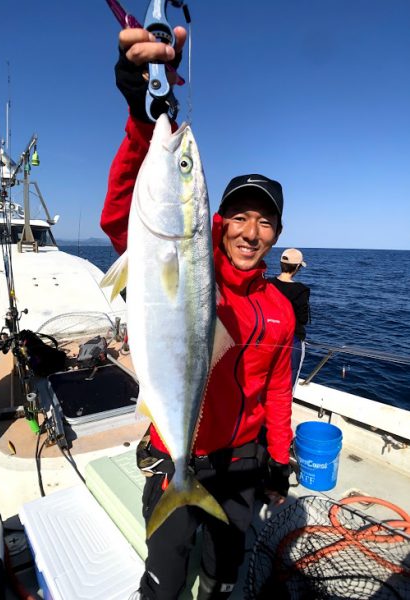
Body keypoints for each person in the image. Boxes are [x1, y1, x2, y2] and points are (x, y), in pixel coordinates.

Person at [100, 25, 295, 600]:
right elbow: (123, 216)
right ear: (219, 221)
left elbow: (279, 389)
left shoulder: (280, 307)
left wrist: (278, 463)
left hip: (242, 466)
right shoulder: (190, 259)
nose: (250, 231)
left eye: (265, 221)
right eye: (239, 217)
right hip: (176, 456)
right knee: (164, 582)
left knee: (221, 579)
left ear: (277, 233)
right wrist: (142, 114)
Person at [268, 248, 311, 392]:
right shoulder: (301, 290)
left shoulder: (267, 284)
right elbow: (303, 319)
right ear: (297, 267)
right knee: (288, 382)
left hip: (268, 338)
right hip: (292, 341)